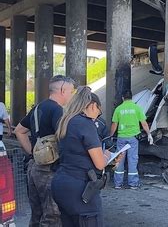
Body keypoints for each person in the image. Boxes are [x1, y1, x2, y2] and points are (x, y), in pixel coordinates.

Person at [15, 75, 76, 227]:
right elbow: (65, 139)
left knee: (37, 214)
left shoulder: (37, 108)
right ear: (62, 90)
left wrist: (33, 153)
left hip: (33, 168)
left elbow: (19, 130)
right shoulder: (58, 110)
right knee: (52, 216)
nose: (72, 95)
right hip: (49, 170)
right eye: (71, 91)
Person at [51, 87, 110, 226]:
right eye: (98, 112)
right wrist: (108, 155)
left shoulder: (65, 121)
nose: (97, 116)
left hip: (61, 184)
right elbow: (100, 164)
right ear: (93, 105)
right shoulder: (85, 123)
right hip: (80, 189)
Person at [110, 90, 153, 189]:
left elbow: (114, 124)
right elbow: (144, 123)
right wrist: (149, 134)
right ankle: (133, 184)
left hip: (121, 138)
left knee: (119, 160)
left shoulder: (119, 109)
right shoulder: (137, 108)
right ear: (131, 98)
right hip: (133, 138)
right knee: (132, 160)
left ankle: (118, 184)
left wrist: (111, 136)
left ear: (122, 98)